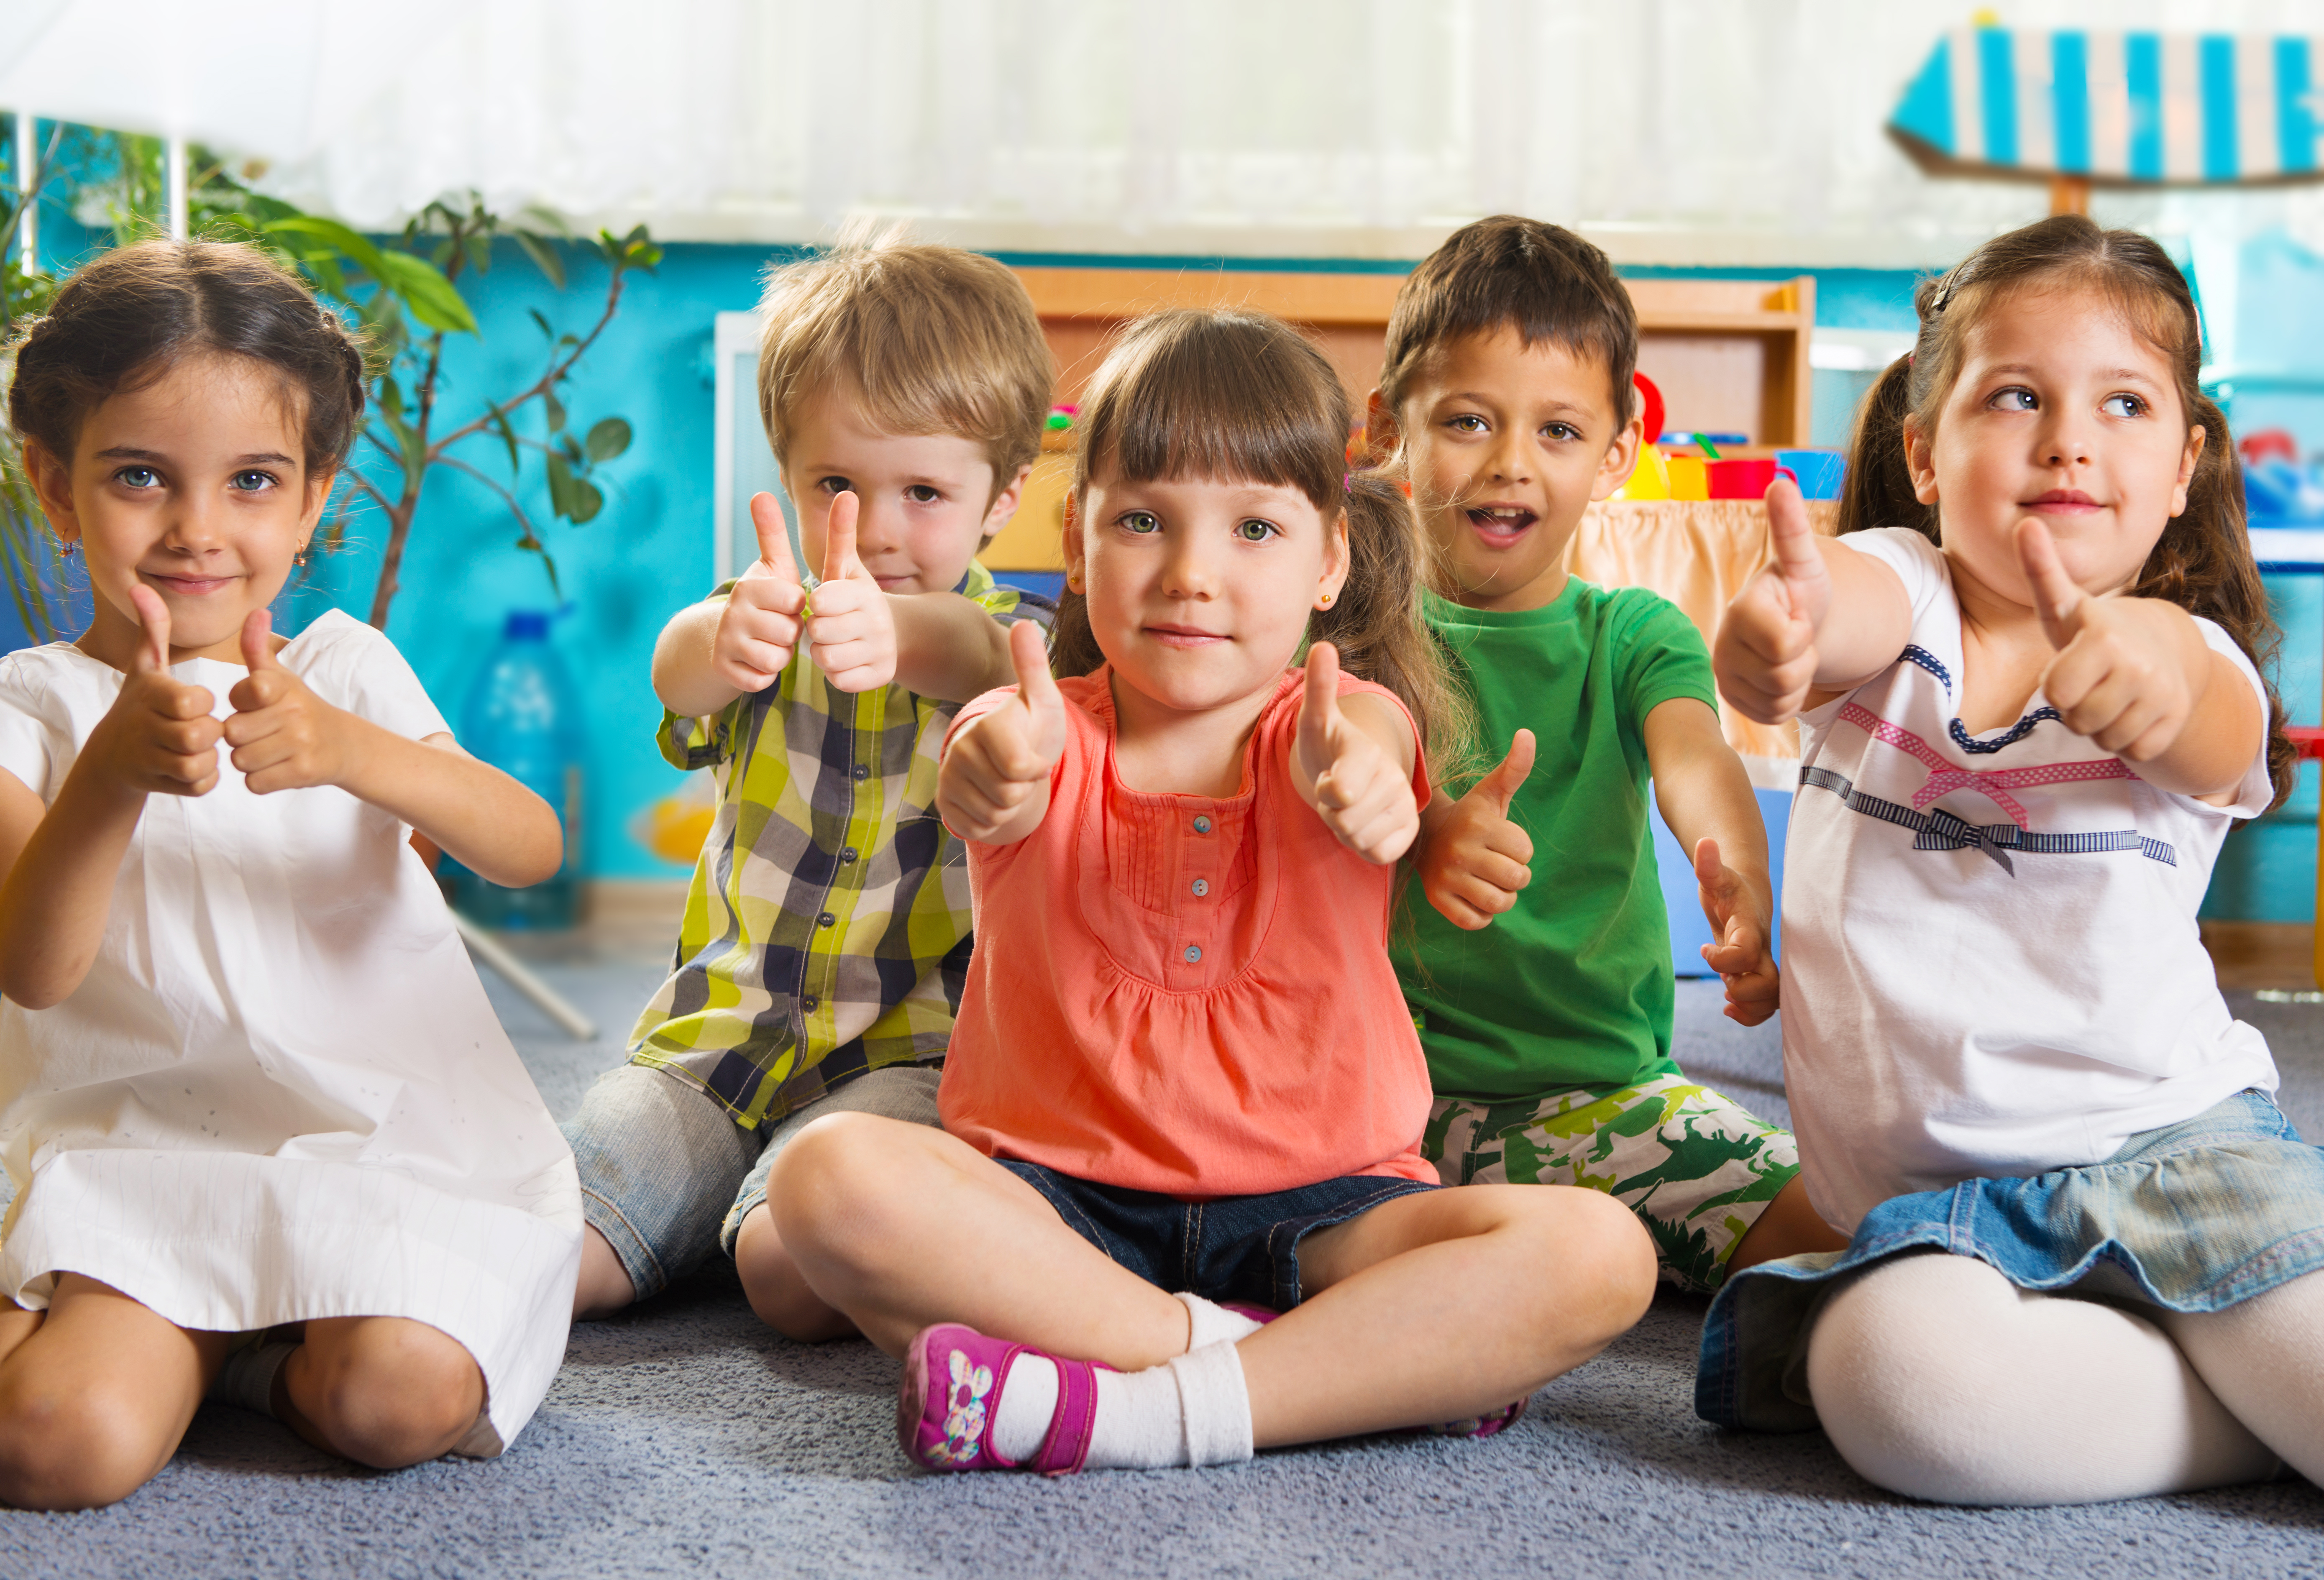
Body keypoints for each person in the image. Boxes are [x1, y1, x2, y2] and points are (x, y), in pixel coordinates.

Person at [765, 308, 1658, 1476]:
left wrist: (1380, 800)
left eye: (1253, 528)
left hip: (1328, 1213)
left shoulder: (1341, 727)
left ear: (1329, 561)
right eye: (1141, 521)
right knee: (824, 1177)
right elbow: (993, 768)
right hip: (1055, 1204)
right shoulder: (1033, 727)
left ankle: (1125, 1402)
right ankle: (1287, 1370)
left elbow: (1368, 763)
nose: (1193, 574)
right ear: (1077, 548)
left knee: (1599, 1253)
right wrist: (993, 770)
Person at [1702, 214, 2324, 1506]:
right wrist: (1772, 635)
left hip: (2178, 1162)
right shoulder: (1899, 596)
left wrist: (2139, 677)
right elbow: (1826, 619)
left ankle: (2235, 1365)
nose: (2068, 439)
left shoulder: (2184, 649)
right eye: (2016, 397)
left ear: (2179, 466)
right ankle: (2222, 1413)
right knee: (1889, 1383)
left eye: (2123, 404)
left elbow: (2200, 717)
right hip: (1943, 1225)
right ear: (1924, 455)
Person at [0, 239, 581, 1511]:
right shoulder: (28, 710)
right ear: (56, 488)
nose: (199, 530)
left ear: (313, 499)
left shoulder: (345, 663)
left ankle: (255, 1361)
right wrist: (108, 776)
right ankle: (190, 1330)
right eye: (140, 477)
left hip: (372, 1140)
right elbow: (35, 971)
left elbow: (526, 845)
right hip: (135, 1151)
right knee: (57, 1451)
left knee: (397, 1403)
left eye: (252, 481)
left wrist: (351, 750)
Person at [563, 238, 1055, 1329]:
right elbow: (678, 677)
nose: (874, 530)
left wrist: (893, 631)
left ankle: (739, 1217)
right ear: (784, 473)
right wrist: (714, 637)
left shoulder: (1015, 645)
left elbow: (968, 646)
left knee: (788, 1274)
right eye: (835, 484)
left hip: (915, 1057)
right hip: (719, 1041)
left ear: (1000, 498)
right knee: (565, 1242)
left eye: (922, 492)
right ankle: (686, 1212)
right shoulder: (763, 611)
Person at [1367, 216, 1842, 1291]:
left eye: (1560, 432)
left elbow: (1695, 758)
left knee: (1852, 1227)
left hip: (1603, 1106)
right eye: (1466, 420)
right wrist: (1418, 835)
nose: (1509, 465)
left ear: (1619, 455)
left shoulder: (1635, 633)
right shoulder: (1348, 628)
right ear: (1388, 429)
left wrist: (1738, 875)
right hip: (1365, 1111)